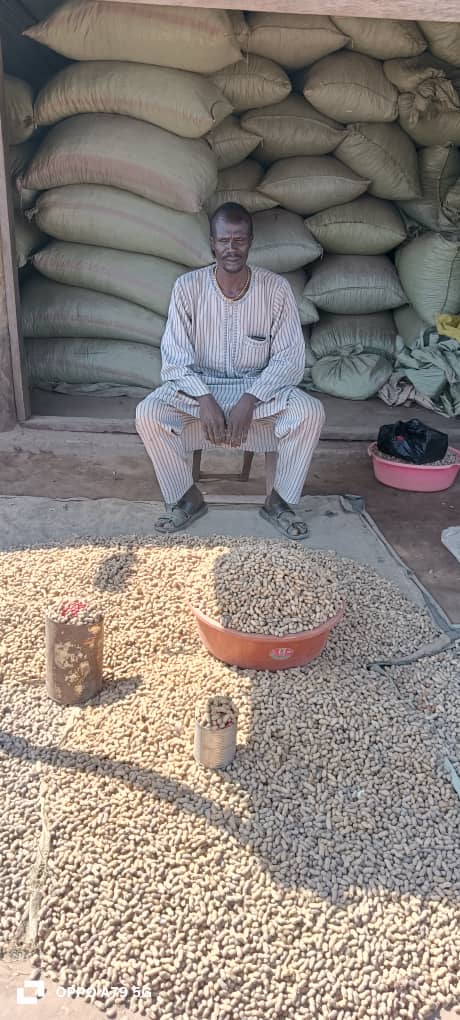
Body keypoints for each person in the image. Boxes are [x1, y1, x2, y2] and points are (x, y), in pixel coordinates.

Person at [136, 202, 325, 539]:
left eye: (239, 240)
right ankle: (187, 497)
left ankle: (278, 502)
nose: (232, 249)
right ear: (212, 242)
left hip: (257, 394)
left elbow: (290, 360)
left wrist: (250, 399)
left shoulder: (276, 289)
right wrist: (204, 397)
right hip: (199, 394)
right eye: (224, 240)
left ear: (251, 242)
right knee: (149, 412)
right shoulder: (187, 287)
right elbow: (174, 360)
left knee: (309, 411)